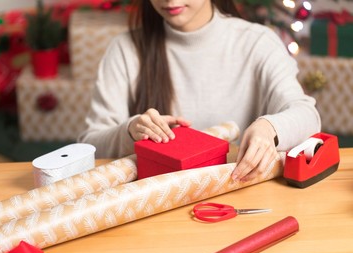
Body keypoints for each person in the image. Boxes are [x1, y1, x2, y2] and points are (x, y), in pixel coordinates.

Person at [78, 0, 321, 182]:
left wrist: (270, 128)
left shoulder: (257, 42)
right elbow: (90, 145)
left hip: (237, 191)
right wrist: (130, 131)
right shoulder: (125, 49)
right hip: (158, 202)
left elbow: (307, 114)